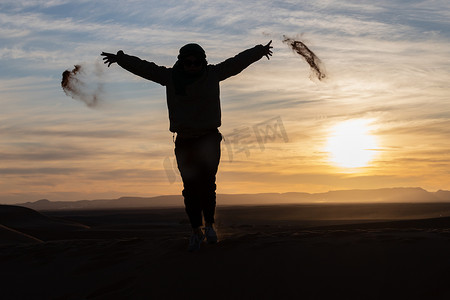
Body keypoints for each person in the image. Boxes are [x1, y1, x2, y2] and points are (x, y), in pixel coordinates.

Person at [101, 40, 273, 251]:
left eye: (196, 62)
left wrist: (259, 51)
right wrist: (121, 59)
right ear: (181, 62)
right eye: (188, 62)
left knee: (208, 184)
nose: (192, 66)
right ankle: (196, 230)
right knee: (190, 188)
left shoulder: (213, 74)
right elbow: (145, 68)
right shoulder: (170, 78)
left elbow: (236, 63)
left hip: (209, 138)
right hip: (184, 140)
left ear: (203, 62)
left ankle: (209, 226)